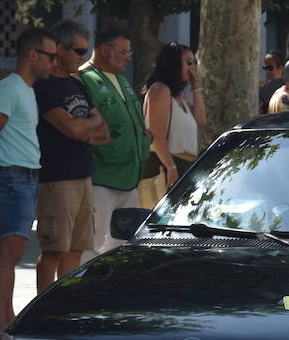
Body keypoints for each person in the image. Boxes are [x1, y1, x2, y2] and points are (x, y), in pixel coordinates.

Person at [0, 28, 57, 339]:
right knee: (10, 251)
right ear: (33, 55)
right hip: (13, 176)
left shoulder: (25, 89)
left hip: (24, 176)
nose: (54, 62)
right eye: (50, 56)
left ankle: (5, 320)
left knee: (11, 251)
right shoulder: (10, 88)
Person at [34, 20, 110, 292]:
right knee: (54, 250)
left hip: (84, 175)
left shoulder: (77, 85)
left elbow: (102, 131)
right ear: (61, 49)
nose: (84, 57)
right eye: (79, 51)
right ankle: (41, 311)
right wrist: (87, 126)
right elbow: (71, 128)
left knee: (76, 250)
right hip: (57, 179)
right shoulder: (44, 87)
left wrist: (85, 128)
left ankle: (63, 306)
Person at [77, 27, 149, 261]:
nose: (128, 57)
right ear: (106, 49)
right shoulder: (83, 78)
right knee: (92, 242)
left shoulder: (121, 80)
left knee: (122, 242)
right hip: (101, 178)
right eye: (123, 52)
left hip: (129, 177)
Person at [139, 42, 206, 209]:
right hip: (167, 168)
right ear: (174, 63)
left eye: (194, 63)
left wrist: (195, 88)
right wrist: (171, 166)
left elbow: (200, 121)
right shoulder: (160, 90)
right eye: (189, 62)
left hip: (185, 167)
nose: (192, 68)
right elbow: (155, 132)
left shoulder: (179, 97)